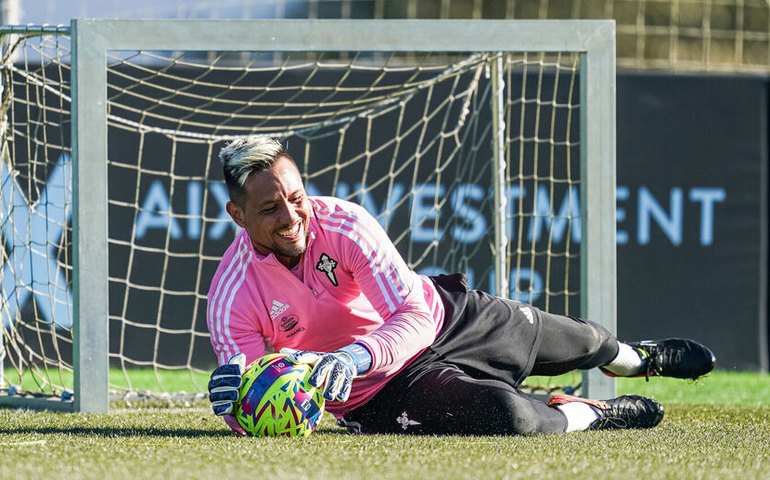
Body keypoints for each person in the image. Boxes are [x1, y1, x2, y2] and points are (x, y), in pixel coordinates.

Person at [206, 135, 715, 435]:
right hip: (377, 394)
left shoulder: (344, 224)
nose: (292, 216)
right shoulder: (231, 295)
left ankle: (636, 359)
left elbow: (414, 319)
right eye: (270, 209)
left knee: (586, 342)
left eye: (296, 198)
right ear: (237, 214)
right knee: (513, 418)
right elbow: (254, 401)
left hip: (448, 318)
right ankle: (590, 412)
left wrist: (352, 356)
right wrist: (234, 407)